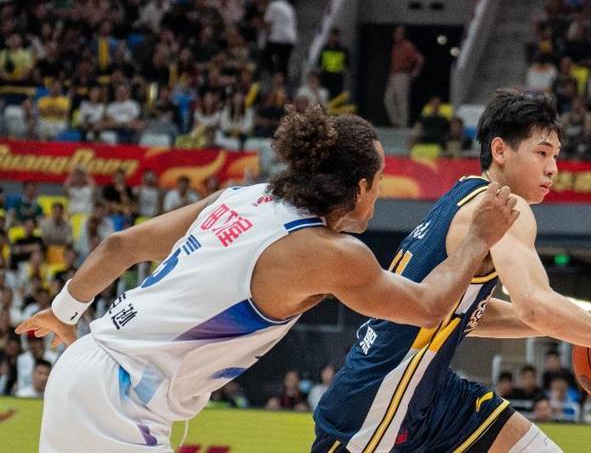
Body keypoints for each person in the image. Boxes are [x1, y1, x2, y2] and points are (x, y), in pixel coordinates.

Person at [16, 106, 518, 453]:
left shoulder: (239, 197)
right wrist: (477, 238)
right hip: (124, 398)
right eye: (380, 180)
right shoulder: (330, 253)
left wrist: (63, 314)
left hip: (84, 362)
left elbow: (119, 246)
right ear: (360, 186)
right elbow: (428, 308)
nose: (381, 192)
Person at [313, 90, 591, 453]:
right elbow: (533, 305)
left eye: (555, 156)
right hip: (380, 401)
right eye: (542, 153)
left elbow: (471, 312)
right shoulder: (506, 206)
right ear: (499, 151)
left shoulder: (463, 193)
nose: (552, 169)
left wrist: (579, 322)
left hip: (433, 395)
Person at [384, 26, 424, 128]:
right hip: (394, 75)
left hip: (403, 74)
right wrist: (390, 77)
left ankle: (403, 124)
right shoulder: (395, 47)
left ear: (403, 34)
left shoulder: (408, 46)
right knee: (388, 99)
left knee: (401, 100)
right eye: (396, 33)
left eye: (399, 33)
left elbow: (419, 59)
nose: (397, 35)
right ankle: (395, 122)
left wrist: (416, 70)